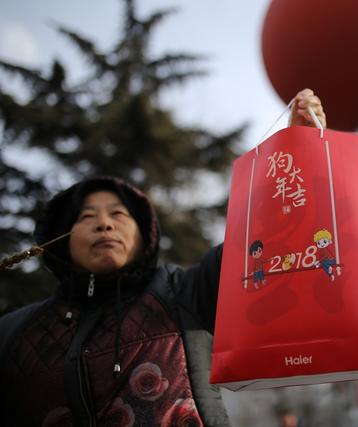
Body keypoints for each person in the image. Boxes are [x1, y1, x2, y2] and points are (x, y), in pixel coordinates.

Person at [0, 89, 326, 426]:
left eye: (119, 215)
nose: (104, 223)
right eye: (86, 217)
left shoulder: (182, 292)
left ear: (145, 238)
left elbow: (263, 243)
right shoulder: (13, 332)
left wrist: (298, 149)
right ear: (61, 241)